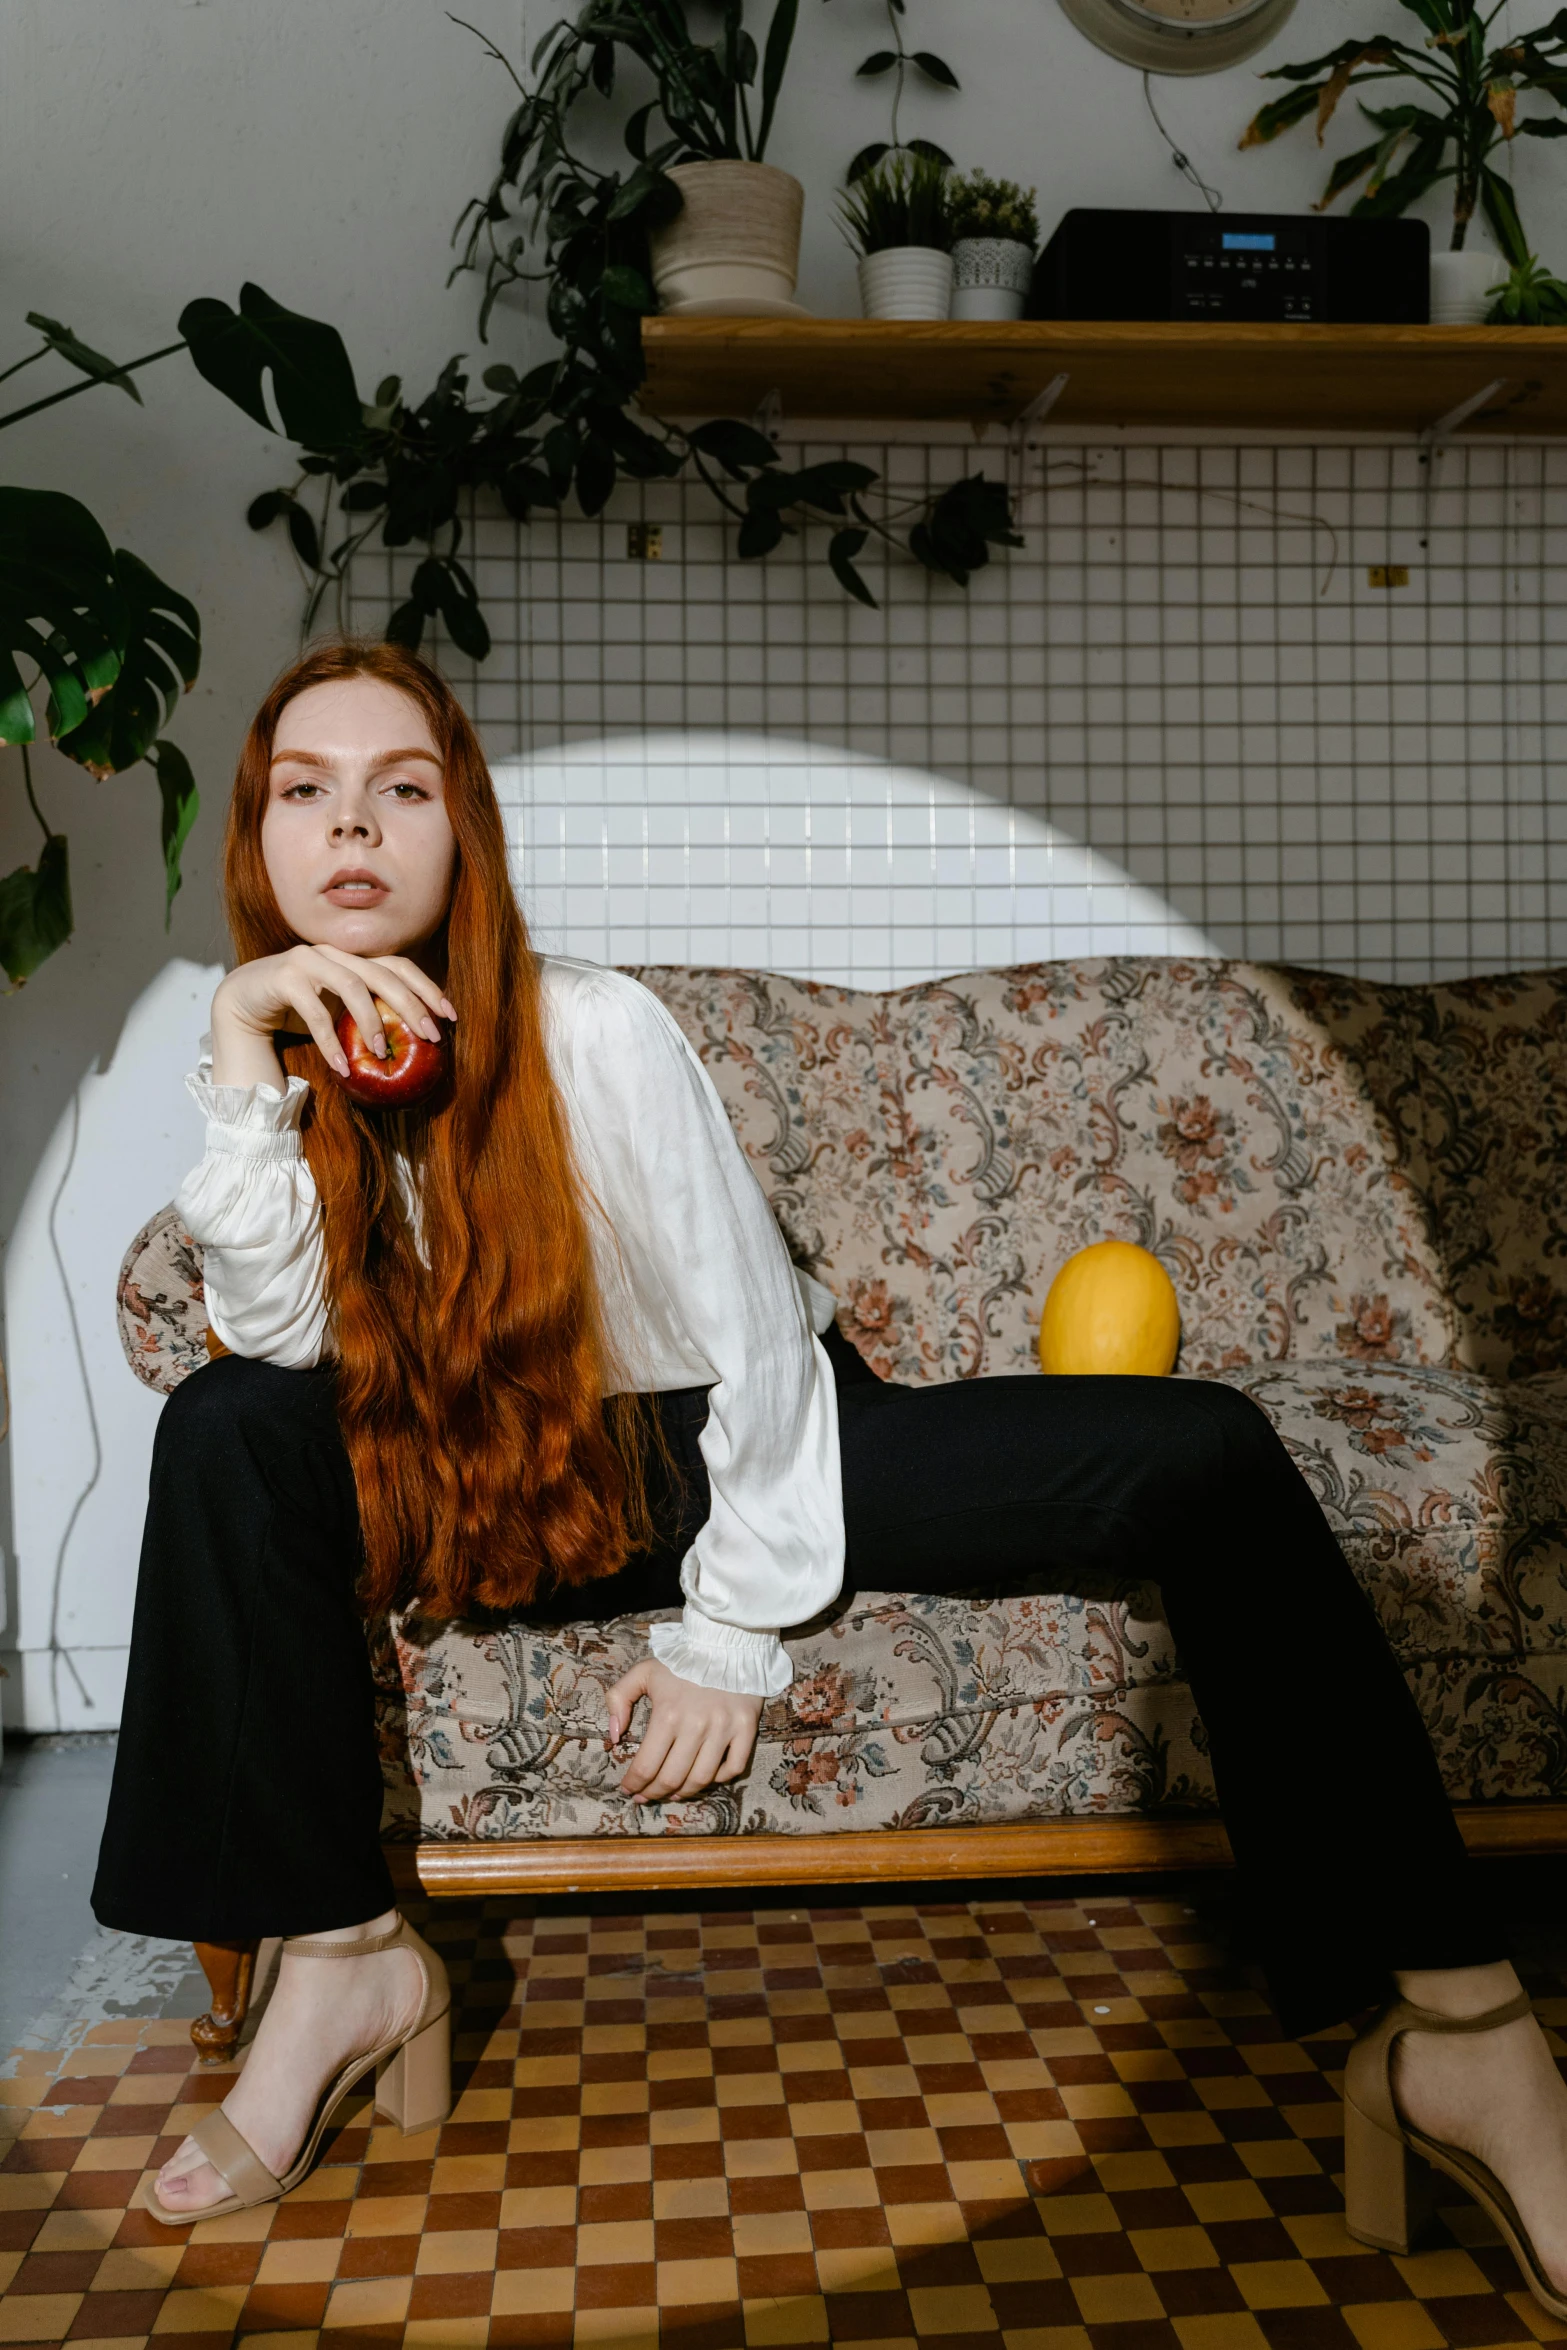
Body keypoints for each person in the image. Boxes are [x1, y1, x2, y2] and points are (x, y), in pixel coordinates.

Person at [92, 641, 1567, 2298]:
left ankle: (1461, 2024)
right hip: (486, 1474)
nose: (351, 824)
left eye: (402, 788)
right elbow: (281, 1353)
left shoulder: (593, 1030)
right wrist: (236, 1036)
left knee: (1210, 1448)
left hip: (733, 1445)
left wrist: (729, 1630)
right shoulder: (277, 1068)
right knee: (218, 1422)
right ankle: (344, 1957)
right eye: (307, 791)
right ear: (261, 839)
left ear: (463, 837)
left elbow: (755, 1351)